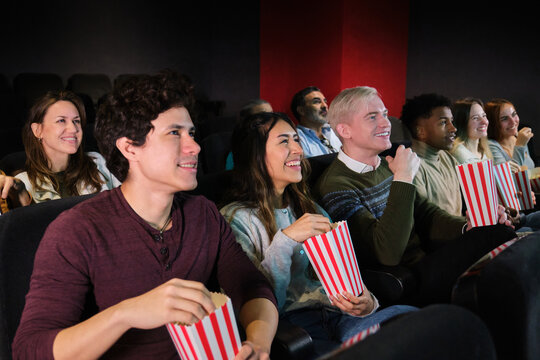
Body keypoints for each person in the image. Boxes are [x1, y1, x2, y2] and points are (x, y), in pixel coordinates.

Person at [13, 71, 278, 359]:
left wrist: (259, 342)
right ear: (130, 148)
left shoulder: (204, 213)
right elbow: (30, 350)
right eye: (175, 133)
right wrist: (126, 314)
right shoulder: (76, 230)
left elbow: (253, 288)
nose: (195, 146)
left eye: (191, 133)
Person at [220, 111, 417, 358]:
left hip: (341, 317)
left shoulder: (309, 207)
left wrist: (367, 299)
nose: (298, 150)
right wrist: (286, 240)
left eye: (296, 140)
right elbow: (255, 301)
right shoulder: (236, 219)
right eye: (284, 141)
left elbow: (344, 272)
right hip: (295, 329)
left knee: (419, 323)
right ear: (255, 155)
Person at [313, 86, 516, 306]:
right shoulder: (335, 185)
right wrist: (403, 177)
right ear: (345, 130)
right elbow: (387, 253)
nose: (385, 123)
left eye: (384, 113)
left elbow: (426, 214)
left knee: (495, 230)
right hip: (404, 282)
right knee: (498, 236)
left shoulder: (383, 164)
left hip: (427, 258)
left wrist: (468, 226)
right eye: (372, 117)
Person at [451, 97, 540, 232]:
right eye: (475, 118)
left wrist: (518, 195)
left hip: (507, 216)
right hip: (492, 225)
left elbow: (498, 194)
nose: (484, 122)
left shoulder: (483, 150)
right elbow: (481, 201)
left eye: (484, 116)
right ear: (462, 123)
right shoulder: (460, 153)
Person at [15, 90, 120, 203]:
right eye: (61, 120)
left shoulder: (98, 163)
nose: (74, 129)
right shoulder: (22, 183)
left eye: (76, 121)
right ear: (38, 130)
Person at [400, 93, 463, 216]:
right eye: (444, 122)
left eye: (452, 121)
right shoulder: (411, 167)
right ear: (420, 131)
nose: (453, 128)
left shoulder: (448, 158)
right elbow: (426, 218)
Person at [485, 98, 535, 172]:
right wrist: (520, 145)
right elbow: (509, 176)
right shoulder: (490, 146)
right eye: (504, 119)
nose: (513, 122)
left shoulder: (519, 136)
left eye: (514, 114)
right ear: (493, 123)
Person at [291, 86, 341, 157]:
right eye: (316, 102)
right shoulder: (296, 139)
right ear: (301, 110)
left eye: (325, 101)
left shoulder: (334, 131)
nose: (325, 106)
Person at [225, 99, 273, 170]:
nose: (271, 118)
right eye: (263, 115)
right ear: (248, 120)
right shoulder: (238, 153)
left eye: (272, 113)